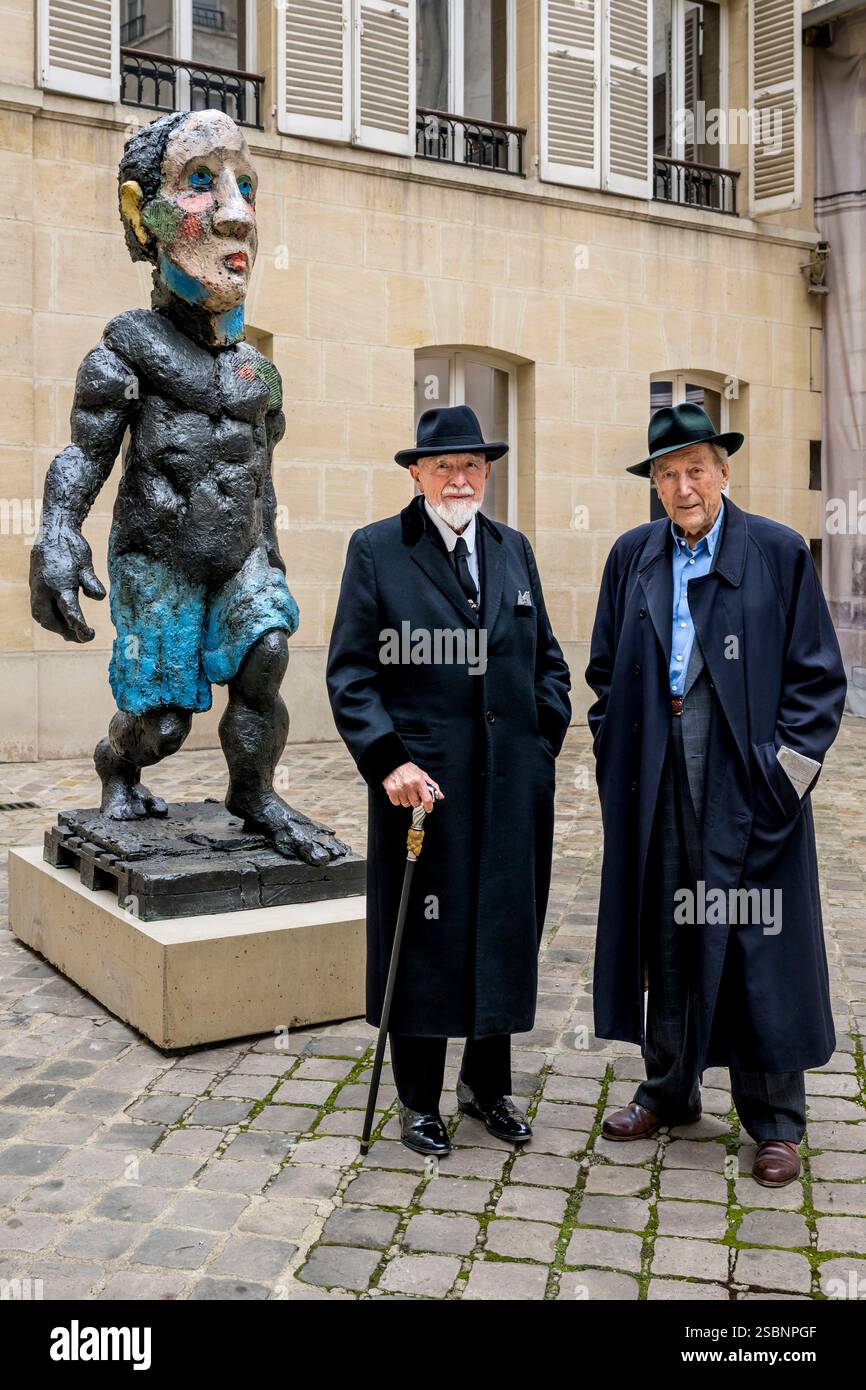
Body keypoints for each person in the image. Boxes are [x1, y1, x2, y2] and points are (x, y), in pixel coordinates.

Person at [29, 109, 344, 865]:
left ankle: (254, 792)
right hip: (158, 558)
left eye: (246, 186)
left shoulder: (257, 373)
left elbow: (259, 482)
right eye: (202, 183)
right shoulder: (125, 352)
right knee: (162, 725)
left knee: (268, 650)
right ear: (145, 214)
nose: (238, 213)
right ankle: (119, 766)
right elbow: (84, 456)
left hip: (239, 557)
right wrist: (57, 531)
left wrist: (269, 559)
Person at [586, 402, 846, 1187]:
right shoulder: (634, 555)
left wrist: (782, 783)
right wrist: (614, 749)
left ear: (724, 472)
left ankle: (774, 1120)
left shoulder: (774, 551)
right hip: (658, 770)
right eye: (666, 474)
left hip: (747, 778)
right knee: (667, 932)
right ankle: (669, 1089)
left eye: (695, 469)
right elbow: (603, 672)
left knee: (753, 938)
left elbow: (817, 680)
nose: (682, 486)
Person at [327, 404, 571, 1155]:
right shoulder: (377, 550)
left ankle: (487, 1087)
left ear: (488, 473)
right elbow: (352, 675)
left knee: (502, 928)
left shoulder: (513, 548)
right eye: (443, 467)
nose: (458, 478)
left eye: (471, 466)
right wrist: (388, 760)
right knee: (427, 936)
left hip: (511, 788)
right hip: (421, 790)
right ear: (417, 474)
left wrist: (540, 738)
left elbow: (549, 664)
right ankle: (419, 1099)